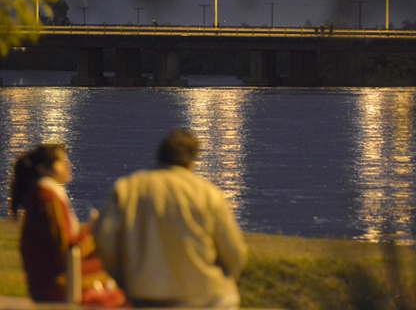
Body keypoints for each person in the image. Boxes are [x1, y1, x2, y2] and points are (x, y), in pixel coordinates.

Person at [93, 129, 247, 308]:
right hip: (200, 294)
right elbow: (234, 254)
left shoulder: (127, 188)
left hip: (142, 291)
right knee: (228, 296)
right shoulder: (208, 194)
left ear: (160, 156)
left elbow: (105, 240)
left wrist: (122, 276)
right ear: (192, 160)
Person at [9, 144, 126, 307]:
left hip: (48, 277)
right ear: (44, 169)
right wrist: (93, 231)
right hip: (55, 283)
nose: (67, 165)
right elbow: (66, 248)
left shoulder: (44, 196)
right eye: (61, 161)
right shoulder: (48, 199)